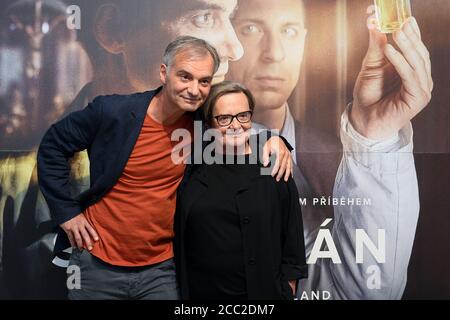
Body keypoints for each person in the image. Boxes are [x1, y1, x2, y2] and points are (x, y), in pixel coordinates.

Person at [37, 36, 293, 300]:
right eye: (185, 77)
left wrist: (275, 139)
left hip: (162, 269)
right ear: (164, 72)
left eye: (204, 81)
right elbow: (53, 145)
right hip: (97, 263)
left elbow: (236, 129)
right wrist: (67, 213)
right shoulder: (113, 112)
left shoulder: (201, 124)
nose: (194, 89)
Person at [227, 0, 432, 299]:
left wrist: (375, 137)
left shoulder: (344, 163)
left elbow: (364, 294)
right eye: (251, 28)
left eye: (289, 30)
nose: (274, 53)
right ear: (225, 40)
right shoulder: (181, 157)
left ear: (305, 42)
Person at [174, 81, 307, 300]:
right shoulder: (193, 165)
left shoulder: (271, 164)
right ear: (209, 123)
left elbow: (291, 235)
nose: (236, 125)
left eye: (243, 116)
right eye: (224, 118)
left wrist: (287, 290)